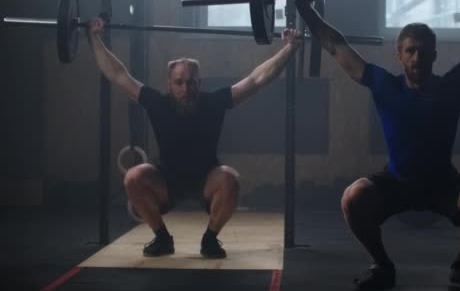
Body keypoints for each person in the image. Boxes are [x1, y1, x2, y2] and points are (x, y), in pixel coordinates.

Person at [296, 0, 460, 290]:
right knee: (352, 198)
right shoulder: (384, 85)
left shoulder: (452, 85)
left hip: (443, 183)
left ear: (435, 54)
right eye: (410, 51)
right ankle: (382, 265)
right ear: (400, 54)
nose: (417, 58)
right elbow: (335, 45)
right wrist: (306, 9)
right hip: (397, 182)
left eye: (423, 52)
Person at [87, 17, 301, 259]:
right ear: (169, 83)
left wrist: (289, 48)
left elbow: (256, 80)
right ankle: (162, 238)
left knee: (231, 179)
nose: (185, 88)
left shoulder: (213, 103)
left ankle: (210, 240)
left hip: (206, 179)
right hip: (166, 180)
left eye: (191, 82)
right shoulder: (157, 103)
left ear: (199, 82)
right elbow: (117, 74)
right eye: (179, 82)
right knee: (133, 177)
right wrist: (94, 38)